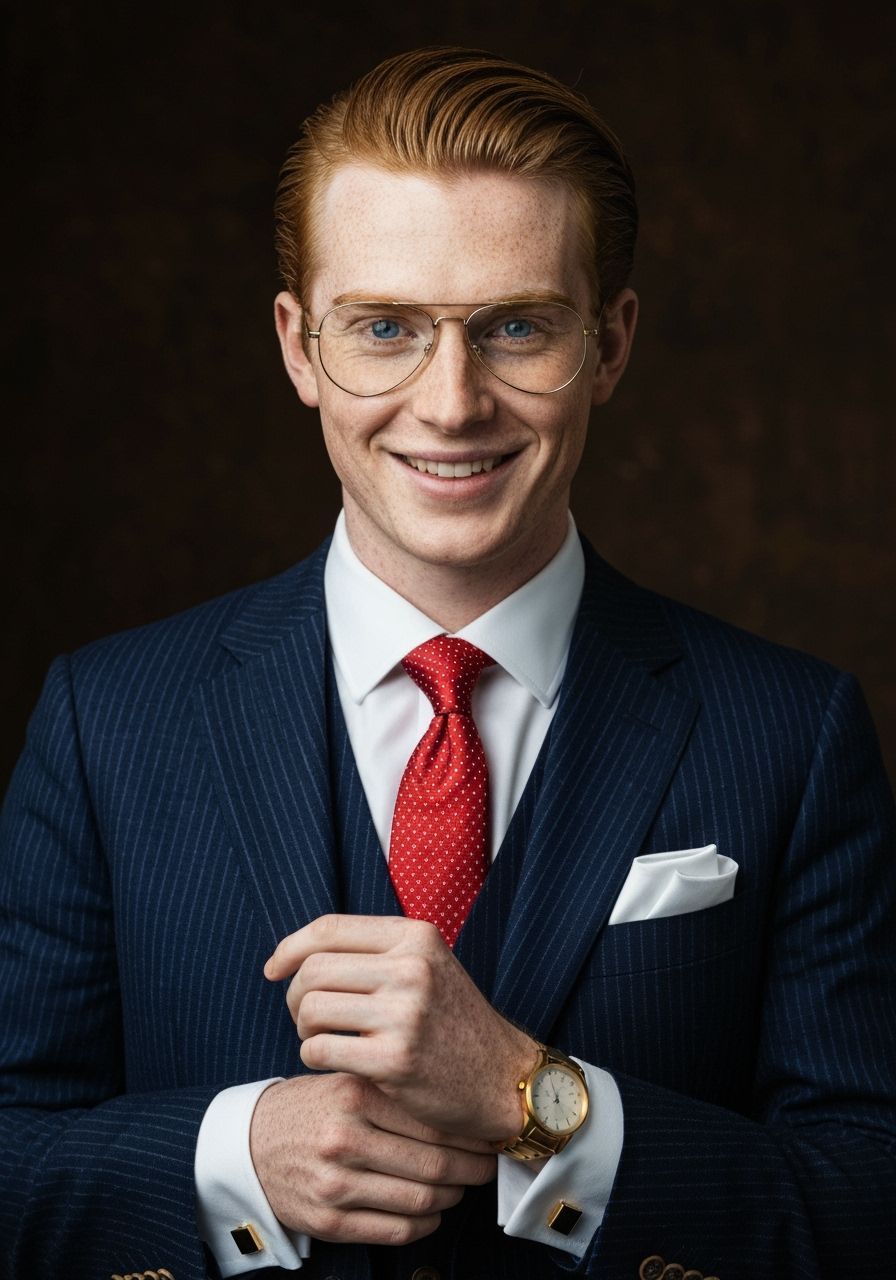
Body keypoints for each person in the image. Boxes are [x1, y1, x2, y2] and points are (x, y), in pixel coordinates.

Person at [1, 45, 894, 1280]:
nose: (450, 401)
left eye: (516, 326)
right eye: (383, 328)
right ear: (299, 348)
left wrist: (539, 1099)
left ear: (611, 343)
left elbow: (867, 1204)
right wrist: (233, 1158)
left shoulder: (792, 732)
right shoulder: (106, 720)